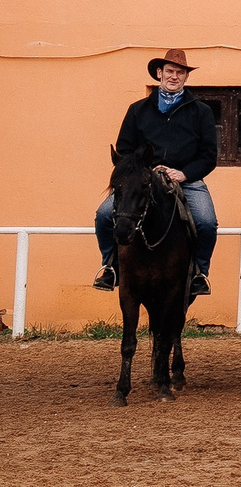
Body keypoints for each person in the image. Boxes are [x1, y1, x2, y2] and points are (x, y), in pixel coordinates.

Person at [94, 48, 220, 299]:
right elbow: (124, 151)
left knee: (206, 222)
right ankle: (110, 267)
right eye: (170, 71)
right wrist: (145, 172)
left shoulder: (201, 111)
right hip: (143, 180)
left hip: (186, 179)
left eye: (180, 73)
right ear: (159, 73)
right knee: (104, 215)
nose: (174, 76)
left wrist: (183, 174)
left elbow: (208, 156)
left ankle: (199, 273)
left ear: (186, 77)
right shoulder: (137, 110)